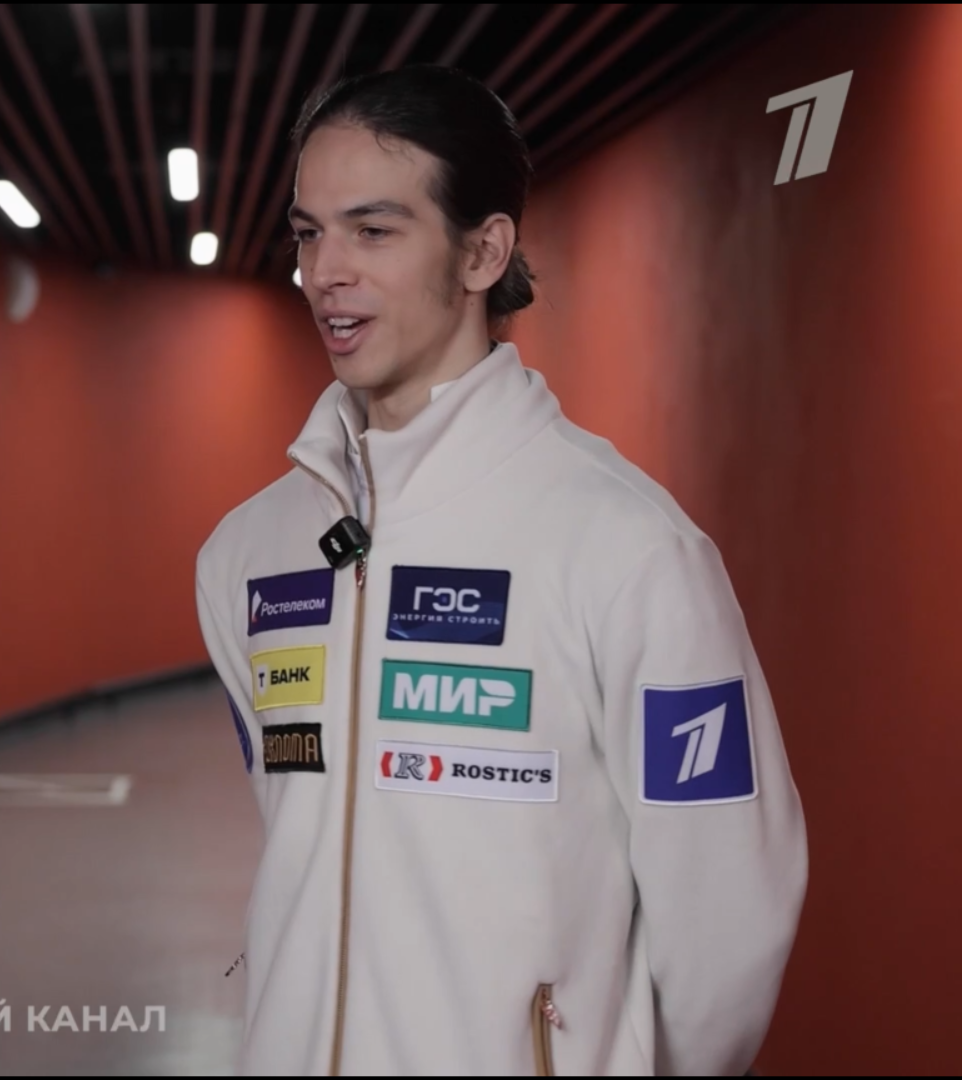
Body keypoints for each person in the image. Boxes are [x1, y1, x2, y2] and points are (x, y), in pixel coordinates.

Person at [193, 66, 807, 1076]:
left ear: (483, 251)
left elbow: (728, 916)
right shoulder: (247, 553)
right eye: (308, 233)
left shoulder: (630, 550)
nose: (324, 272)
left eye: (373, 230)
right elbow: (298, 827)